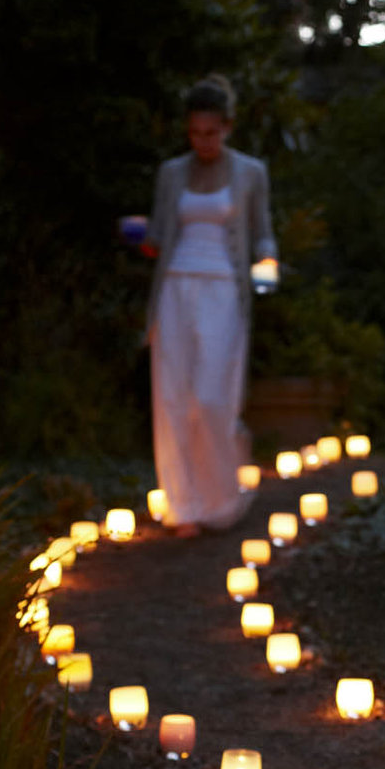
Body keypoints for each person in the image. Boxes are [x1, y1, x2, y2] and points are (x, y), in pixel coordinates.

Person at [142, 75, 277, 536]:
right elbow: (159, 235)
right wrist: (140, 235)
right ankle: (184, 506)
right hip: (175, 289)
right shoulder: (172, 173)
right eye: (195, 132)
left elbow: (263, 232)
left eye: (211, 132)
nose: (203, 141)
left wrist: (267, 271)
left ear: (227, 127)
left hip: (224, 288)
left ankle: (221, 499)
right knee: (173, 398)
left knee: (211, 397)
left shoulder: (251, 172)